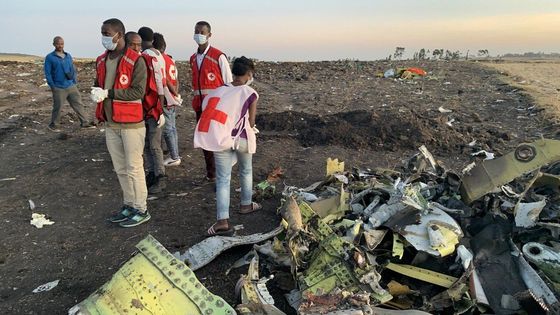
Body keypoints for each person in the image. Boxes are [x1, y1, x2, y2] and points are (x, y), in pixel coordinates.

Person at [91, 18, 151, 227]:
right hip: (111, 123)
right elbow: (99, 84)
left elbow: (138, 91)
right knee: (120, 168)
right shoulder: (101, 60)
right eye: (102, 33)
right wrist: (96, 92)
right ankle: (129, 205)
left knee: (134, 167)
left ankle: (141, 208)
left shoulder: (137, 60)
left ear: (119, 34)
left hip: (132, 123)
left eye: (107, 33)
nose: (104, 37)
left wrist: (108, 93)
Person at [193, 57, 261, 237]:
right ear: (249, 74)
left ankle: (222, 221)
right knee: (246, 171)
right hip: (242, 138)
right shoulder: (249, 92)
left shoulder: (215, 92)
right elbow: (251, 121)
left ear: (233, 72)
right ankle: (246, 204)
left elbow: (207, 112)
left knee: (223, 179)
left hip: (220, 139)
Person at [190, 21, 233, 181]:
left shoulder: (218, 56)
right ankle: (211, 174)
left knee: (218, 140)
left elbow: (229, 83)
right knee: (204, 141)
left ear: (209, 35)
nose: (199, 34)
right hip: (200, 107)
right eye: (196, 31)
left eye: (202, 32)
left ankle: (222, 172)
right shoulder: (193, 58)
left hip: (216, 108)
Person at [138, 26, 167, 194]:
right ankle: (153, 173)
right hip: (155, 104)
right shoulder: (158, 55)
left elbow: (158, 83)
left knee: (153, 143)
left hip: (152, 104)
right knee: (150, 143)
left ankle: (159, 176)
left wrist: (159, 108)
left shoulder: (147, 57)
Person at [44, 36, 94, 131]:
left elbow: (73, 69)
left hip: (71, 85)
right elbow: (48, 73)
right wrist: (52, 86)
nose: (60, 46)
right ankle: (54, 125)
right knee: (57, 107)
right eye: (58, 44)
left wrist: (74, 81)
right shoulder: (50, 57)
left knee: (78, 104)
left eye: (62, 44)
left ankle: (85, 123)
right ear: (54, 44)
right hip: (58, 87)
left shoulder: (68, 56)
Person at [153, 32, 182, 167]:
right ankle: (174, 154)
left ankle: (175, 156)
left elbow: (164, 81)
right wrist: (176, 94)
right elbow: (176, 79)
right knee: (172, 128)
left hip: (165, 98)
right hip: (172, 98)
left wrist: (171, 93)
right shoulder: (170, 60)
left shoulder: (158, 59)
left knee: (168, 129)